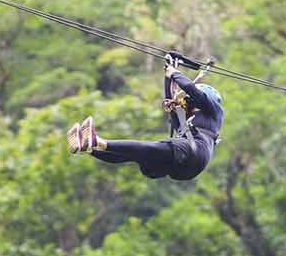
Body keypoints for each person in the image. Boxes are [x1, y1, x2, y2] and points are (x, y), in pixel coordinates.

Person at [68, 63, 223, 181]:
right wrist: (168, 74)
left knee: (152, 147)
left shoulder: (213, 111)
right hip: (183, 167)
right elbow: (169, 99)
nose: (186, 100)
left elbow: (191, 89)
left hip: (196, 151)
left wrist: (174, 73)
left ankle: (98, 141)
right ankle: (89, 148)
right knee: (137, 154)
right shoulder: (186, 120)